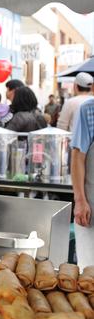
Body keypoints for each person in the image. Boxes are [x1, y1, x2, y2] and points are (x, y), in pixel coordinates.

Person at [70, 98, 94, 268]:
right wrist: (79, 201)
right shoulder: (89, 109)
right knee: (89, 271)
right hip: (91, 207)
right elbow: (78, 156)